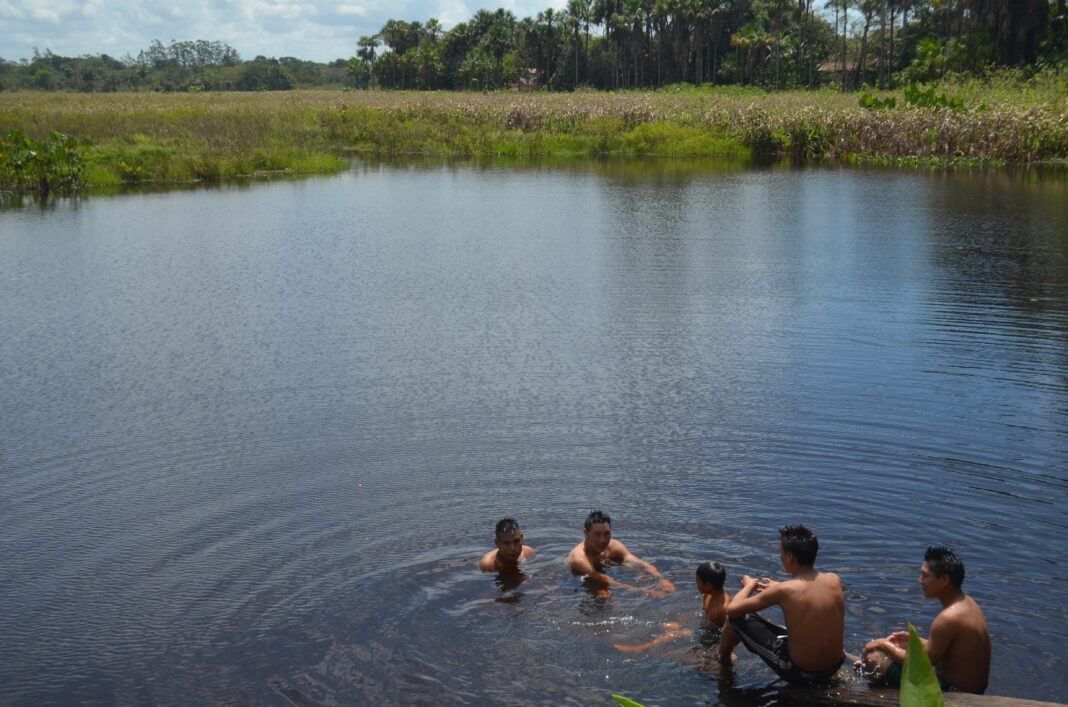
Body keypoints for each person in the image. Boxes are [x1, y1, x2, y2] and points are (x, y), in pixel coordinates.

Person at [721, 524, 845, 684]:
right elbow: (806, 594)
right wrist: (780, 587)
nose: (780, 557)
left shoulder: (785, 590)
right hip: (834, 665)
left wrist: (749, 586)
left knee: (736, 620)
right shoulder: (833, 579)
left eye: (781, 553)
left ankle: (723, 664)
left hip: (800, 672)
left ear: (790, 557)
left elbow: (731, 609)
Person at [858, 546, 990, 694]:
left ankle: (879, 697)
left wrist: (883, 644)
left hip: (954, 694)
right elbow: (952, 653)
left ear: (944, 580)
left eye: (925, 576)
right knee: (900, 649)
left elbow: (919, 665)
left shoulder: (948, 618)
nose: (920, 581)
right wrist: (917, 642)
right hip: (974, 690)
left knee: (875, 659)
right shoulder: (968, 604)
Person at [566, 510, 676, 596]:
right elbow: (604, 579)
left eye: (606, 534)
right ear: (586, 533)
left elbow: (637, 563)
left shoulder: (614, 546)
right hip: (577, 577)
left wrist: (661, 579)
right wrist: (643, 590)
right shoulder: (579, 558)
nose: (602, 540)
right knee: (603, 595)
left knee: (639, 572)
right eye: (597, 534)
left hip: (600, 571)